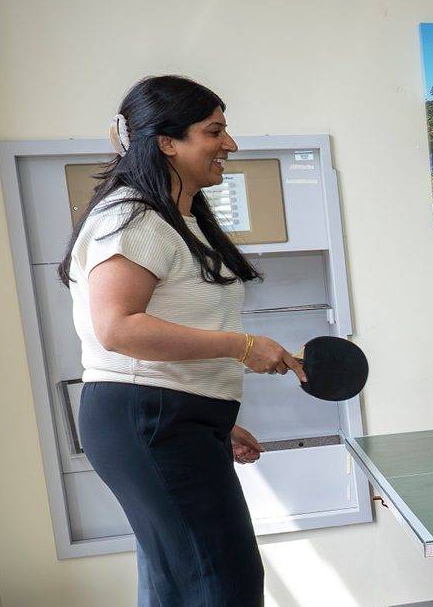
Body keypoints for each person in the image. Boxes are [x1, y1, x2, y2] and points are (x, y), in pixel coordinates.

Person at [59, 75, 303, 606]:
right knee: (223, 583)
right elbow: (118, 327)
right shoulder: (134, 217)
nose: (229, 144)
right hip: (149, 419)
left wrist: (214, 418)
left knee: (181, 583)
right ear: (167, 142)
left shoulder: (175, 218)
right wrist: (242, 347)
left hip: (166, 418)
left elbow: (170, 320)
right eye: (214, 131)